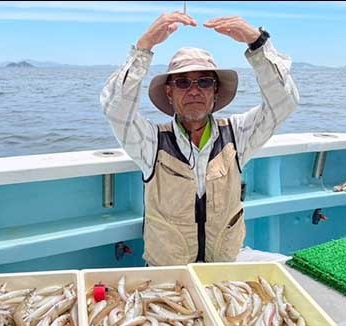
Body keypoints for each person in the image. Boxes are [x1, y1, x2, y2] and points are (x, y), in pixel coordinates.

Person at [101, 13, 299, 266]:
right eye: (183, 82)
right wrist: (144, 48)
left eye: (204, 82)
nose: (194, 90)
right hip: (168, 279)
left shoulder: (237, 135)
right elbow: (114, 109)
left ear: (215, 91)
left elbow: (284, 102)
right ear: (169, 92)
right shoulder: (151, 142)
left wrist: (258, 43)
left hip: (224, 271)